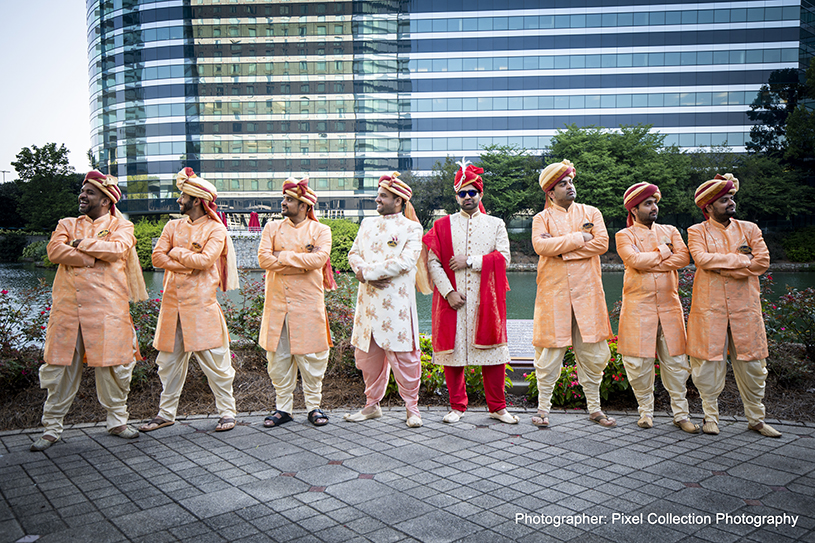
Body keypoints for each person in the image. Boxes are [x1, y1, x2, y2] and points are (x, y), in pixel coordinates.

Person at [31, 171, 148, 451]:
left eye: (90, 192)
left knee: (115, 369)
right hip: (68, 311)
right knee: (59, 370)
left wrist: (80, 244)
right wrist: (96, 254)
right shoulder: (67, 223)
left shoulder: (123, 227)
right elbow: (54, 252)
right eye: (82, 191)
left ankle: (117, 421)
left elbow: (118, 250)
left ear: (106, 200)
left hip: (108, 310)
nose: (83, 196)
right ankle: (51, 428)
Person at [140, 168, 240, 433]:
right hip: (172, 307)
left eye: (182, 195)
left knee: (217, 365)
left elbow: (206, 261)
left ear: (196, 200)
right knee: (168, 365)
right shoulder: (172, 226)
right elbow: (156, 258)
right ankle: (166, 413)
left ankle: (227, 412)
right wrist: (187, 260)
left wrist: (176, 252)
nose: (178, 200)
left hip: (202, 307)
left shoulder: (216, 230)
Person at [686, 174, 781, 438]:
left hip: (745, 308)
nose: (730, 203)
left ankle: (757, 419)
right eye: (724, 200)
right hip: (710, 308)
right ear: (708, 207)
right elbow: (703, 260)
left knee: (753, 366)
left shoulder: (750, 229)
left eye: (731, 198)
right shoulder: (697, 231)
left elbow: (761, 262)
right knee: (707, 364)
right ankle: (710, 416)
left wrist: (723, 267)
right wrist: (742, 261)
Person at [423, 161, 517, 424]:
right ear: (456, 196)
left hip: (486, 298)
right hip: (453, 300)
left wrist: (471, 261)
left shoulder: (496, 223)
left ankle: (498, 407)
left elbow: (504, 258)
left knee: (493, 354)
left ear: (480, 194)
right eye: (462, 193)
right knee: (453, 354)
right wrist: (448, 292)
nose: (467, 197)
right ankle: (457, 407)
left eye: (472, 192)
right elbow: (433, 263)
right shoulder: (442, 226)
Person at [531, 160, 616, 428]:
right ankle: (543, 409)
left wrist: (561, 250)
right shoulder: (540, 218)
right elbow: (540, 246)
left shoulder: (592, 212)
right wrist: (581, 238)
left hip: (588, 294)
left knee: (593, 353)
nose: (570, 187)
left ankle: (595, 409)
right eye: (563, 184)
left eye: (571, 182)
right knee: (549, 354)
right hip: (554, 295)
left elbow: (602, 244)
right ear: (550, 193)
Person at [344, 172, 430, 428]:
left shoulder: (412, 227)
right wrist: (362, 272)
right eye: (378, 195)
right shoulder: (367, 224)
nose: (377, 199)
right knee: (368, 360)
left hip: (397, 308)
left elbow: (405, 262)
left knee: (406, 360)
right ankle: (371, 406)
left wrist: (367, 273)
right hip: (368, 306)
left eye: (383, 196)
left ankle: (412, 409)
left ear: (399, 200)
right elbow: (353, 253)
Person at [616, 182, 698, 433]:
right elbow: (634, 260)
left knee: (676, 362)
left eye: (655, 203)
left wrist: (649, 262)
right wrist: (664, 251)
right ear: (634, 210)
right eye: (648, 204)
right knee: (639, 364)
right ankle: (645, 412)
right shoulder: (624, 235)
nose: (654, 207)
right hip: (638, 309)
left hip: (669, 307)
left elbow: (684, 258)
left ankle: (681, 414)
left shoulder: (671, 229)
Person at [258, 177, 336, 428]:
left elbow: (318, 260)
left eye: (289, 199)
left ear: (303, 205)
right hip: (277, 305)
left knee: (312, 358)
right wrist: (300, 261)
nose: (283, 202)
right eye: (284, 198)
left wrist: (282, 257)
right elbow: (263, 260)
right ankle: (283, 409)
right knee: (278, 358)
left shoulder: (321, 230)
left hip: (308, 305)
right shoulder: (272, 228)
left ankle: (314, 406)